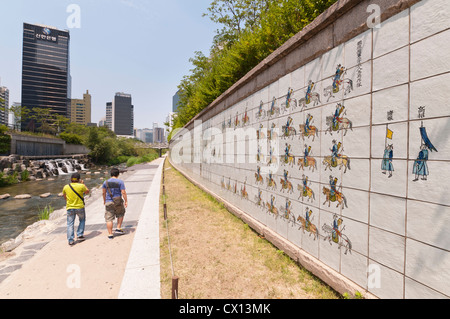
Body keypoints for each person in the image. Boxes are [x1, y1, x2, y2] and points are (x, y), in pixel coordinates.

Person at [63, 173, 90, 246]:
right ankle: (80, 235)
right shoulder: (81, 186)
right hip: (80, 207)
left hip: (70, 207)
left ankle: (71, 240)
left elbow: (65, 197)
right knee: (82, 220)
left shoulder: (66, 187)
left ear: (71, 179)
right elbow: (87, 192)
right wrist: (83, 184)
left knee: (70, 224)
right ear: (79, 180)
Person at [102, 168, 128, 239]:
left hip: (108, 201)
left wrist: (104, 200)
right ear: (118, 174)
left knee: (109, 218)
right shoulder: (120, 182)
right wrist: (126, 201)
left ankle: (110, 234)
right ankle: (118, 228)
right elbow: (123, 192)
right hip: (118, 201)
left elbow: (103, 192)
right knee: (120, 214)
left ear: (111, 174)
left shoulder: (105, 182)